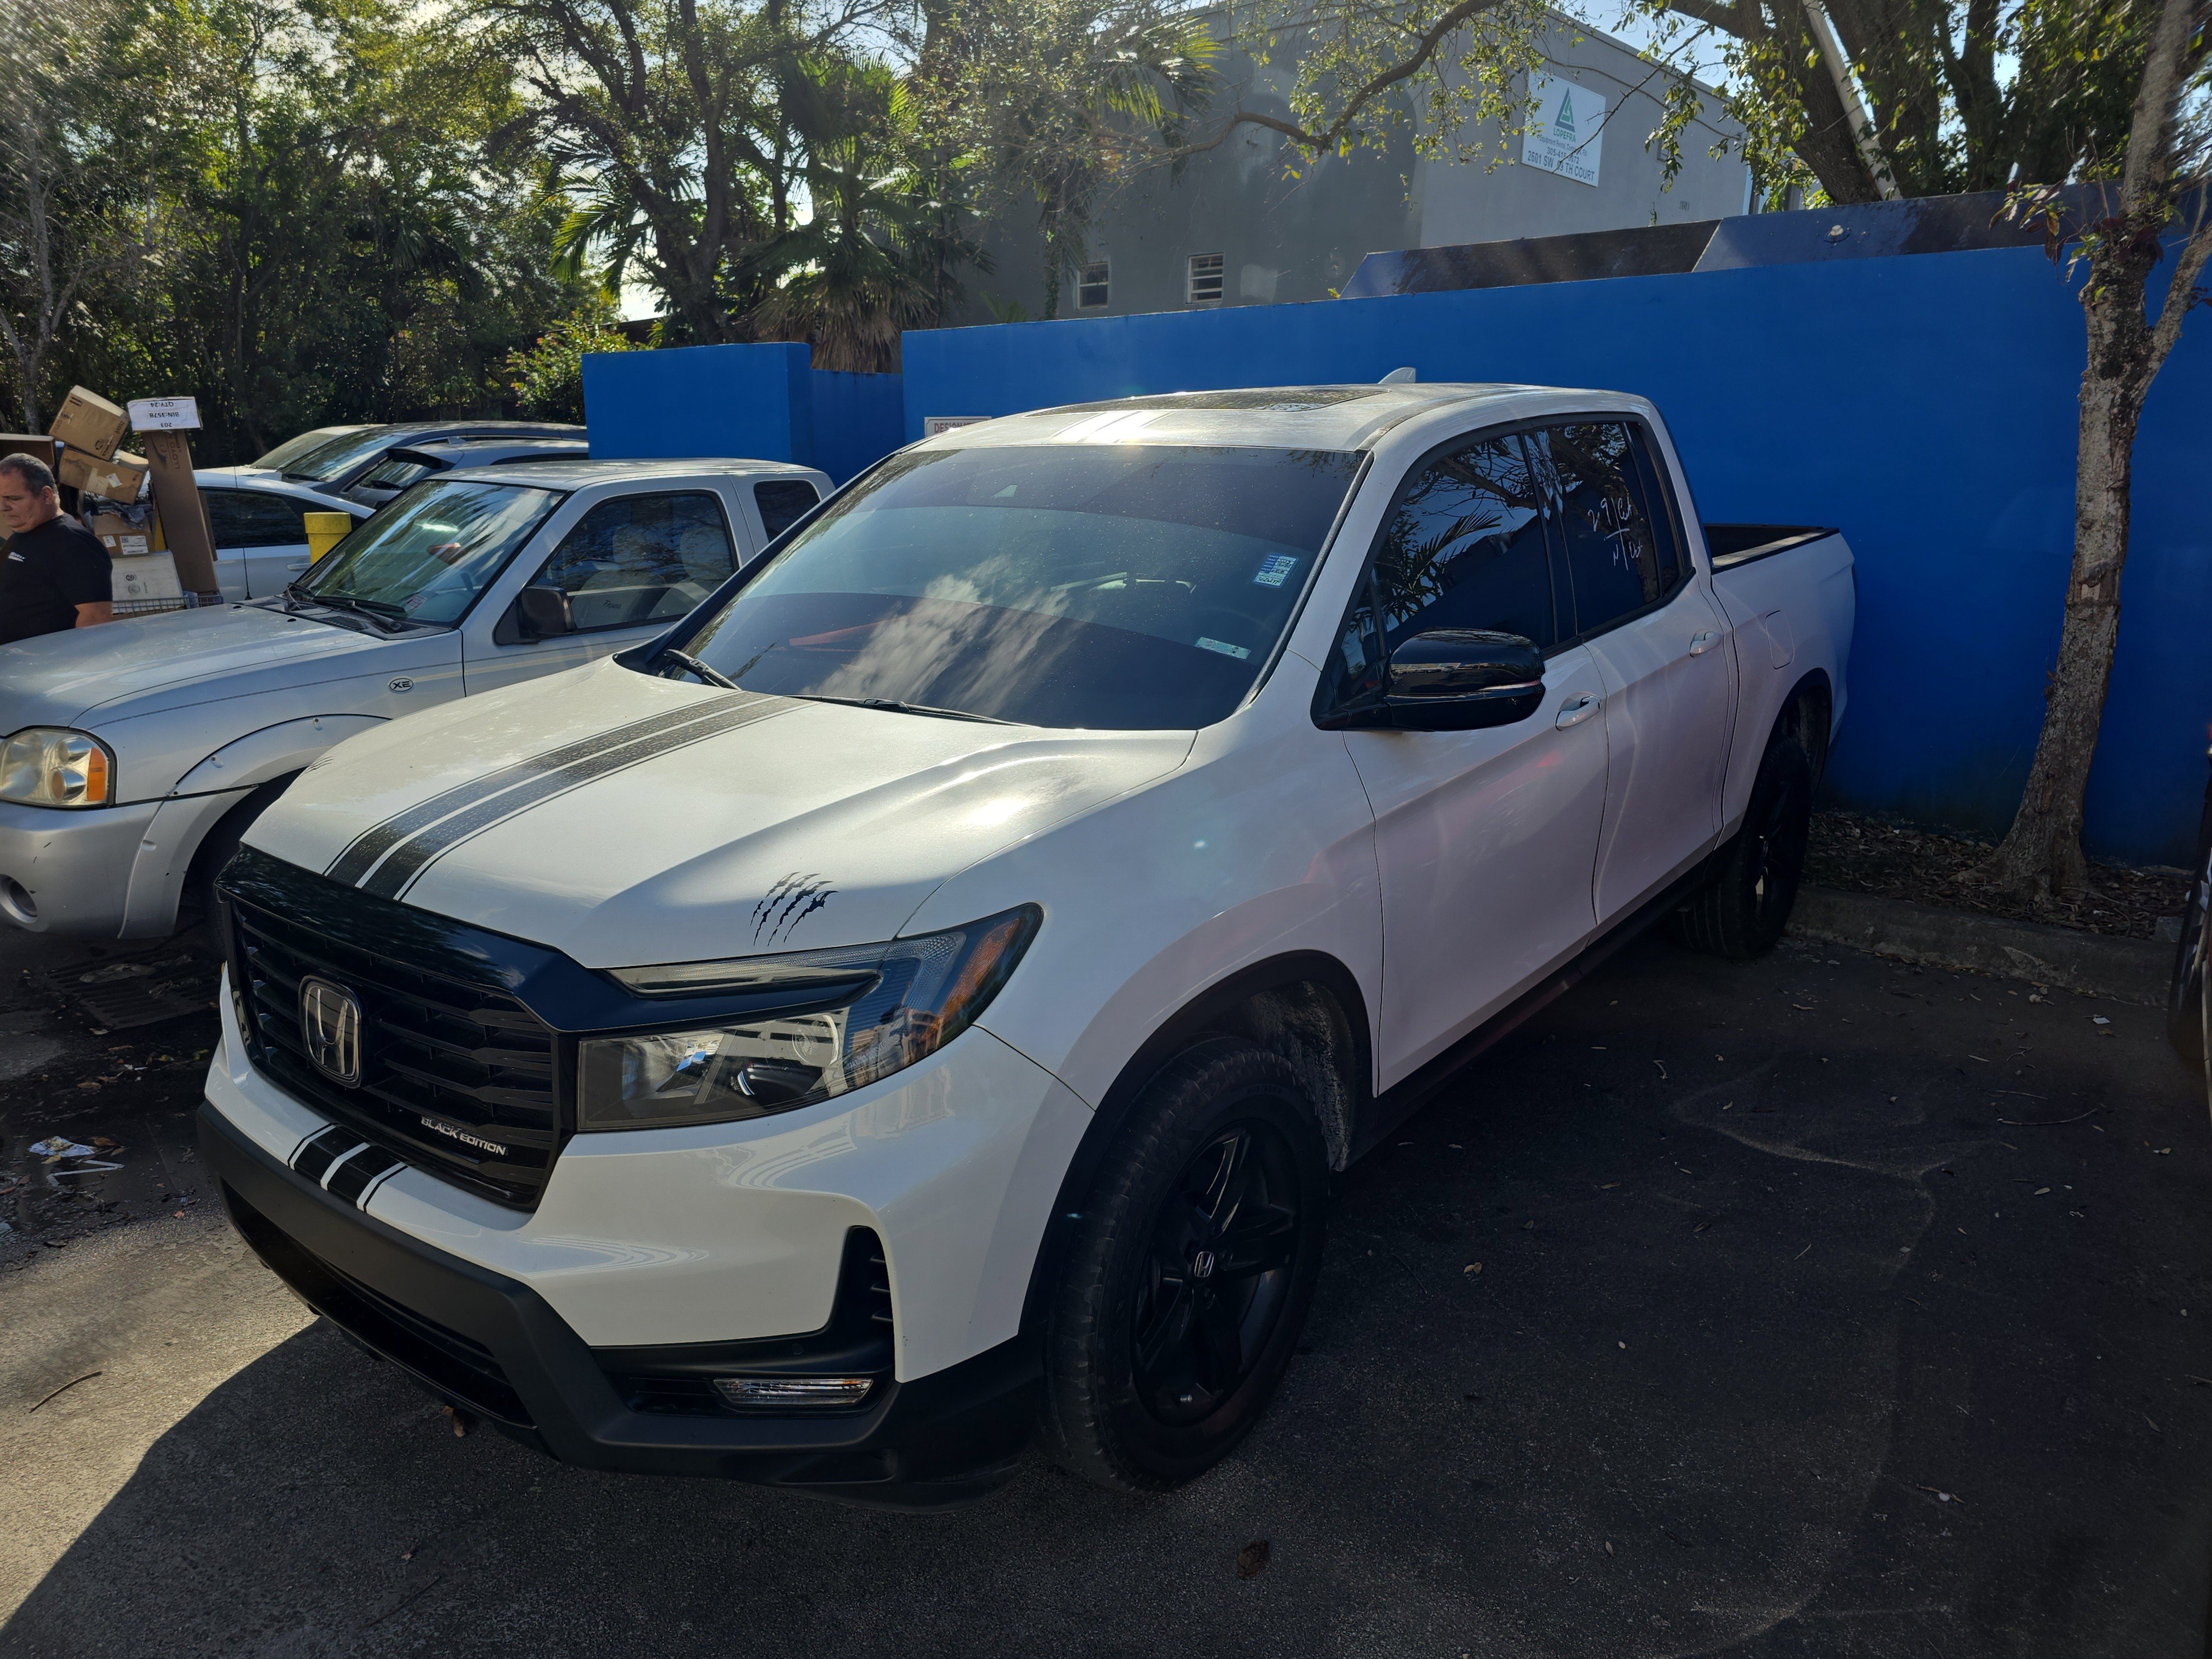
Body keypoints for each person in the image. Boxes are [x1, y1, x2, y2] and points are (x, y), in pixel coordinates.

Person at [0, 452, 113, 645]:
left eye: (14, 499)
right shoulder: (27, 530)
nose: (3, 507)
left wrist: (66, 669)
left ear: (46, 495)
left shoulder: (74, 543)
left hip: (41, 668)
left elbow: (97, 617)